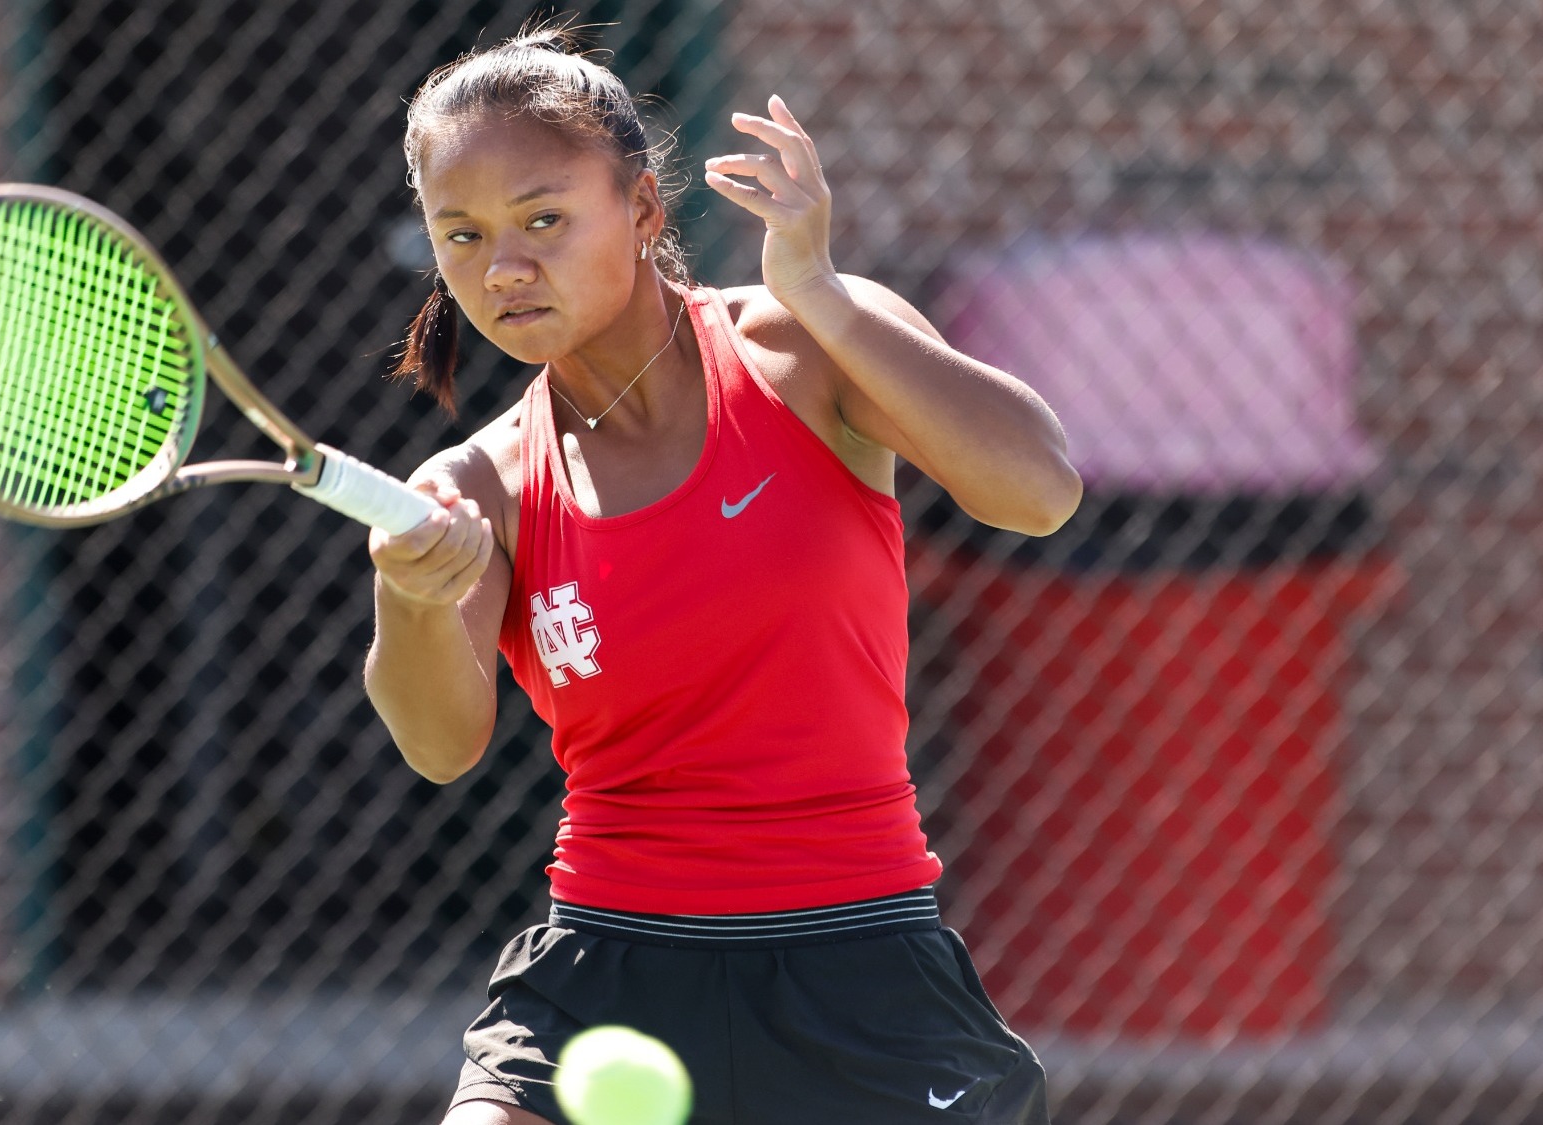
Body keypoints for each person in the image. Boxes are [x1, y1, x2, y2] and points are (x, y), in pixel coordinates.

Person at [364, 23, 1080, 1125]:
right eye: (460, 236)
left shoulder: (800, 350)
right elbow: (437, 744)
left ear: (644, 209)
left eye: (542, 220)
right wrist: (408, 601)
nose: (502, 267)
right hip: (606, 968)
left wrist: (823, 289)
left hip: (860, 962)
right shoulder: (480, 484)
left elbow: (1036, 491)